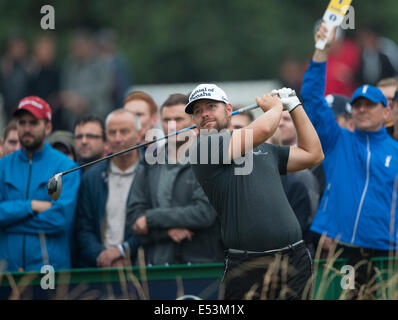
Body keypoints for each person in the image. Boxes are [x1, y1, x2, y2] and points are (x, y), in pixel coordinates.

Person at [186, 83, 324, 300]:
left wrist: (295, 106)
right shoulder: (202, 149)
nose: (204, 114)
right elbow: (264, 129)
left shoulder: (264, 148)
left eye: (211, 106)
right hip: (246, 266)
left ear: (229, 110)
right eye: (197, 111)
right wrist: (276, 106)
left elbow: (313, 154)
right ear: (194, 121)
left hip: (293, 259)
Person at [300, 23, 398, 298]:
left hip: (387, 250)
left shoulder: (395, 150)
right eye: (357, 105)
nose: (362, 110)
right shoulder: (337, 139)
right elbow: (311, 97)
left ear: (386, 110)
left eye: (370, 105)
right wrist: (322, 49)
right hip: (343, 248)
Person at [128, 94, 224, 266]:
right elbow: (134, 217)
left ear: (195, 121)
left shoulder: (209, 157)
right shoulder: (150, 160)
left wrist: (150, 219)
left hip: (199, 264)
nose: (172, 126)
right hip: (154, 264)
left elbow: (204, 213)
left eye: (178, 119)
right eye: (166, 120)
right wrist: (166, 232)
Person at [0, 96, 80, 272]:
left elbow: (60, 219)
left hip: (48, 269)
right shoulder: (3, 167)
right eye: (22, 123)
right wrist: (31, 206)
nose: (27, 129)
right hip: (7, 270)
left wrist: (10, 224)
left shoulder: (65, 167)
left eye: (34, 123)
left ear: (48, 127)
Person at [75, 109, 141, 268]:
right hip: (101, 267)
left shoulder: (151, 173)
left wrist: (124, 251)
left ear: (139, 135)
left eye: (124, 132)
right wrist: (102, 256)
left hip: (141, 265)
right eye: (112, 133)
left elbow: (153, 223)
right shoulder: (92, 177)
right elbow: (83, 228)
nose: (118, 138)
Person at [278, 111, 320, 256]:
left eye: (287, 119)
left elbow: (309, 218)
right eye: (277, 119)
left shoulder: (303, 173)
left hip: (296, 254)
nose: (280, 123)